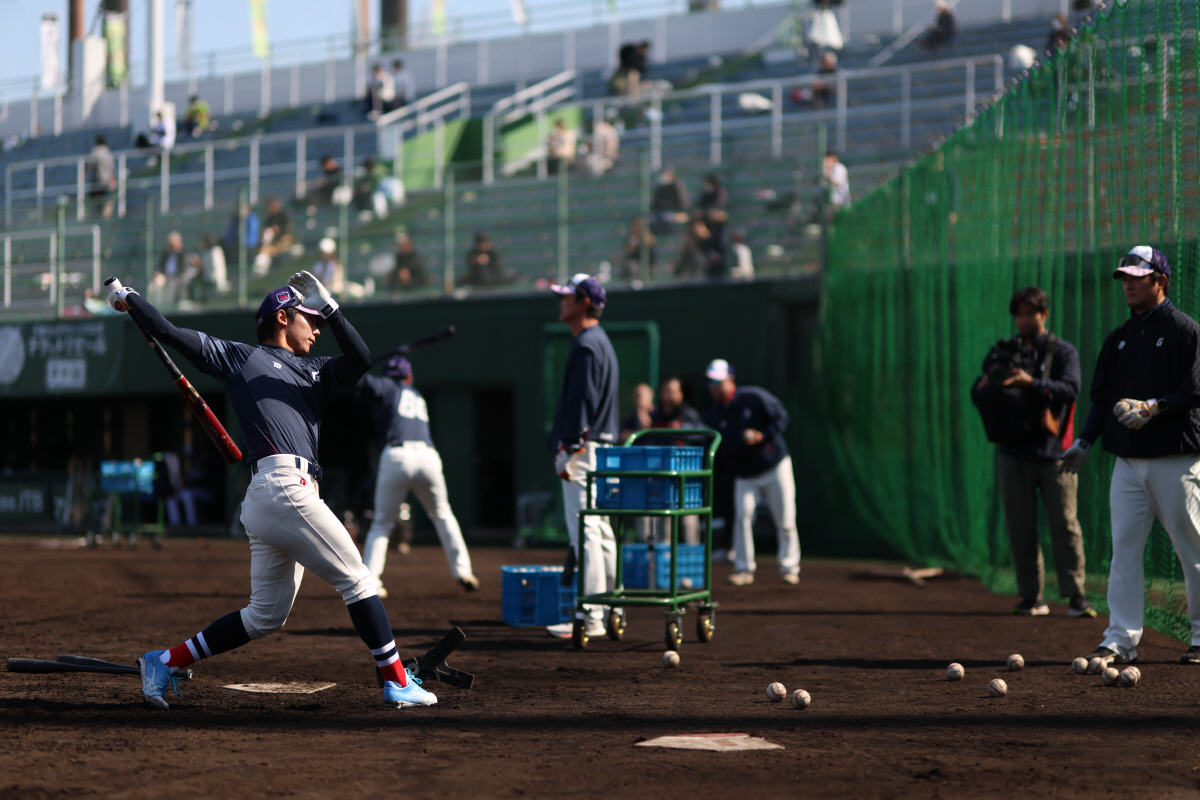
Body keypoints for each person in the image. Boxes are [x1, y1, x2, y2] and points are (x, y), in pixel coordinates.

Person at [106, 269, 437, 711]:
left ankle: (164, 661)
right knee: (358, 578)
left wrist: (331, 309)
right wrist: (130, 297)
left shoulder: (316, 371)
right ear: (282, 317)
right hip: (283, 487)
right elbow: (167, 331)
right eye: (309, 320)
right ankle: (396, 681)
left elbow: (361, 359)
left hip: (279, 495)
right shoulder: (240, 358)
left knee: (265, 615)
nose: (317, 329)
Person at [1060, 246, 1200, 669]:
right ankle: (1120, 638)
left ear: (1161, 280)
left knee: (1191, 548)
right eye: (1125, 277)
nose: (1128, 285)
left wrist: (1154, 406)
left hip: (1175, 459)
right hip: (1127, 461)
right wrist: (1084, 443)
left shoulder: (1184, 330)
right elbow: (1102, 401)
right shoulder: (1118, 338)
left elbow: (1195, 391)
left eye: (1138, 277)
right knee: (1123, 551)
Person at [970, 287, 1092, 618]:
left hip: (1055, 454)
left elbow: (1071, 389)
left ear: (1044, 314)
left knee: (1064, 525)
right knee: (1020, 527)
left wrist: (1032, 383)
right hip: (1012, 452)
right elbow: (980, 390)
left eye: (1030, 314)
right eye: (1019, 314)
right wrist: (994, 379)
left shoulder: (1063, 352)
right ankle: (1031, 596)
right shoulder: (1003, 352)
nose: (1024, 320)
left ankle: (1076, 596)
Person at [359, 356, 478, 597]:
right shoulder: (417, 395)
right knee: (443, 515)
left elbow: (359, 381)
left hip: (397, 455)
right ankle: (463, 571)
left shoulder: (387, 386)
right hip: (427, 456)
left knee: (381, 523)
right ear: (409, 376)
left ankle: (372, 582)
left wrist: (360, 363)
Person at [547, 273, 620, 639]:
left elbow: (582, 403)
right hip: (602, 449)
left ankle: (590, 616)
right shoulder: (599, 341)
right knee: (600, 531)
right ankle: (609, 609)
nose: (561, 302)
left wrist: (570, 446)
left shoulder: (588, 344)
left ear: (583, 303)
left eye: (566, 296)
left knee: (587, 532)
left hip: (585, 450)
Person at [702, 359, 799, 586]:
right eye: (711, 383)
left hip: (775, 466)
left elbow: (782, 418)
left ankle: (789, 567)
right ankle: (743, 568)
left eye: (718, 382)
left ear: (731, 379)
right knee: (742, 518)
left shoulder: (754, 397)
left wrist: (761, 435)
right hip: (745, 474)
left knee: (785, 519)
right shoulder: (714, 415)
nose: (714, 387)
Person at [152, 231, 194, 309]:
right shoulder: (165, 253)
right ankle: (156, 307)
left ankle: (168, 307)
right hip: (165, 276)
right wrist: (158, 272)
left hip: (175, 277)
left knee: (172, 285)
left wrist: (171, 275)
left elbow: (183, 269)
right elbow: (160, 266)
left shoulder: (183, 254)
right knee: (154, 285)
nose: (170, 246)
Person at [650, 168, 689, 235]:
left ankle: (667, 236)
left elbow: (682, 204)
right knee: (651, 219)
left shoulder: (677, 186)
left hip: (676, 212)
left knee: (666, 217)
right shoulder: (660, 187)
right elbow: (655, 204)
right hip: (661, 212)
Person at [85, 134, 116, 219]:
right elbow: (112, 168)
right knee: (105, 201)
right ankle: (104, 216)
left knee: (95, 201)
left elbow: (89, 164)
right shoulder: (108, 152)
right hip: (107, 181)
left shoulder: (95, 151)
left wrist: (84, 172)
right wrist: (113, 180)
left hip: (98, 181)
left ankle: (97, 216)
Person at [222, 201, 261, 266]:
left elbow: (252, 239)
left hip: (248, 248)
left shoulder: (252, 219)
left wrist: (239, 245)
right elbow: (229, 236)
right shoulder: (235, 220)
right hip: (236, 247)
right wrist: (230, 246)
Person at [623, 216, 655, 280]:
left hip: (649, 262)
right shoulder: (632, 236)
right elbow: (629, 249)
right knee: (633, 266)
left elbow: (651, 243)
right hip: (635, 261)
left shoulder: (648, 234)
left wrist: (642, 238)